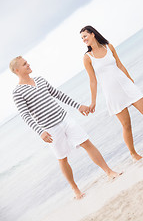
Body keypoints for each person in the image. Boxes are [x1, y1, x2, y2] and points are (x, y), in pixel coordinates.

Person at [9, 56, 121, 199]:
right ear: (17, 70)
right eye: (25, 64)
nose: (28, 64)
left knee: (87, 143)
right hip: (50, 129)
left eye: (27, 62)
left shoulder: (40, 80)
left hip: (65, 119)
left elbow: (58, 95)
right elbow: (25, 115)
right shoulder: (17, 92)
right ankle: (75, 189)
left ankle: (109, 172)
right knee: (62, 159)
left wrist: (78, 106)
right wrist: (40, 132)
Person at [80, 25, 143, 161]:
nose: (83, 39)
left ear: (93, 34)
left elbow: (120, 65)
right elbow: (92, 81)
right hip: (112, 92)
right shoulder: (88, 58)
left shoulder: (109, 46)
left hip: (126, 85)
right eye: (82, 38)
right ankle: (133, 153)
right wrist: (93, 101)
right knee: (126, 124)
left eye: (85, 36)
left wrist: (130, 81)